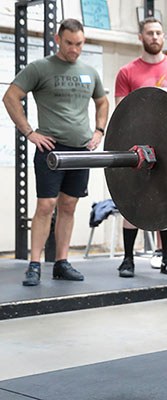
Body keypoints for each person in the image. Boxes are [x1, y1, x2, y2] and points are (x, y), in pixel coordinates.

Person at [3, 18, 109, 287]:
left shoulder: (88, 72)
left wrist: (99, 131)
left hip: (81, 150)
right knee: (46, 205)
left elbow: (102, 101)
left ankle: (61, 262)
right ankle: (34, 264)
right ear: (57, 39)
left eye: (79, 44)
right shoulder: (40, 68)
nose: (74, 49)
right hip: (51, 148)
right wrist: (29, 132)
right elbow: (10, 97)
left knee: (69, 205)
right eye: (70, 43)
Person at [114, 17, 167, 278]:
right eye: (150, 33)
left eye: (159, 32)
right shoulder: (127, 72)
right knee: (133, 201)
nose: (155, 37)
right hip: (136, 147)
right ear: (141, 37)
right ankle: (127, 260)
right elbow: (122, 114)